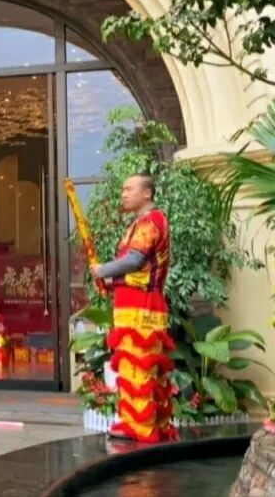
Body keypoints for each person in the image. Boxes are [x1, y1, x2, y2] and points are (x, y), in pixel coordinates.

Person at [90, 174, 177, 443]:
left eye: (129, 189)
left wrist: (102, 270)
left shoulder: (152, 221)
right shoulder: (143, 222)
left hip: (143, 306)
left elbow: (134, 260)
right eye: (123, 190)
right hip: (134, 304)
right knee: (136, 365)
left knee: (138, 365)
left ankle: (140, 426)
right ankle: (142, 423)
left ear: (147, 193)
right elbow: (135, 268)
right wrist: (110, 281)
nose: (124, 194)